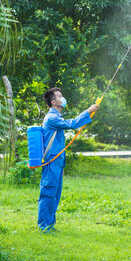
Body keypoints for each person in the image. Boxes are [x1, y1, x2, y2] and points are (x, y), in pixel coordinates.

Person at [38, 87, 99, 232]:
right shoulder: (52, 117)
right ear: (53, 102)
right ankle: (44, 226)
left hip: (57, 161)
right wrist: (88, 111)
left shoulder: (56, 117)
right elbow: (71, 124)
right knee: (48, 192)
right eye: (60, 96)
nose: (62, 98)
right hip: (51, 161)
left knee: (55, 194)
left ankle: (49, 225)